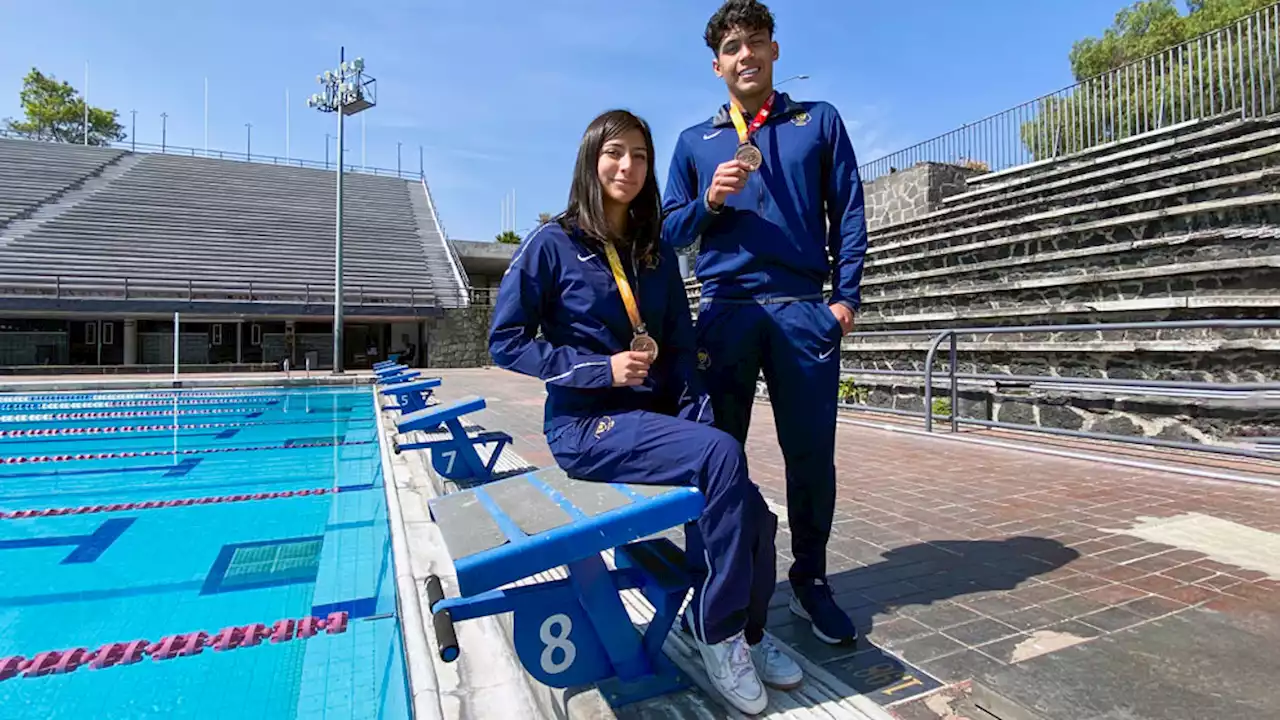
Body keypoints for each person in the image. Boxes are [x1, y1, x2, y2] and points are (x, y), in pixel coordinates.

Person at [488, 109, 802, 714]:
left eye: (638, 154)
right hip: (586, 426)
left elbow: (681, 347)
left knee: (751, 511)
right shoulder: (552, 244)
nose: (627, 166)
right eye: (614, 153)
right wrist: (597, 369)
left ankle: (744, 633)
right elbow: (506, 340)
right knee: (720, 458)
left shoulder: (654, 250)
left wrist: (700, 420)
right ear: (590, 160)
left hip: (654, 416)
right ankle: (717, 632)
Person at [661, 0, 868, 646]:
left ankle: (811, 582)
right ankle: (712, 579)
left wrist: (846, 300)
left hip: (803, 310)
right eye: (731, 47)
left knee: (811, 458)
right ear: (716, 64)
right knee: (714, 456)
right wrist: (707, 202)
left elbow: (851, 212)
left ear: (775, 50)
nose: (744, 55)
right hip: (725, 312)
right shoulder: (695, 141)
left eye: (755, 42)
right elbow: (668, 231)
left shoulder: (819, 121)